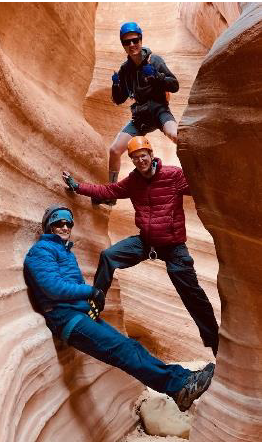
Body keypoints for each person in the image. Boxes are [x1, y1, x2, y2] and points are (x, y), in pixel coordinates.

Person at [24, 204, 215, 413]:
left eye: (67, 223)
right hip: (66, 319)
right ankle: (179, 387)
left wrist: (88, 300)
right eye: (58, 223)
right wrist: (91, 292)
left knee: (130, 348)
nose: (64, 227)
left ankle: (183, 380)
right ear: (49, 227)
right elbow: (53, 288)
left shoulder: (65, 252)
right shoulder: (41, 251)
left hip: (79, 315)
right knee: (124, 351)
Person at [62, 136, 219, 357]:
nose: (140, 161)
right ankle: (95, 302)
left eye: (143, 156)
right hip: (145, 242)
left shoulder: (172, 175)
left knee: (194, 298)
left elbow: (198, 188)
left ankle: (217, 346)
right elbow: (109, 192)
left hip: (174, 248)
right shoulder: (133, 181)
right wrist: (78, 187)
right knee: (109, 256)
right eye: (135, 158)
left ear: (151, 155)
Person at [95, 22, 179, 205]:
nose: (132, 45)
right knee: (114, 150)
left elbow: (174, 85)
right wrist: (116, 85)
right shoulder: (125, 70)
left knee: (175, 135)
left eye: (135, 40)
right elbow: (119, 99)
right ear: (123, 45)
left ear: (141, 39)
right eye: (127, 42)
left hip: (158, 111)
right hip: (140, 117)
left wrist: (157, 76)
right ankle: (111, 194)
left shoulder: (154, 61)